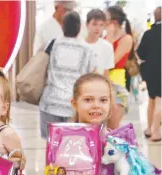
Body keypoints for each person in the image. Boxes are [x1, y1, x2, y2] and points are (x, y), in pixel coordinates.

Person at [39, 11, 95, 139]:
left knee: (51, 144)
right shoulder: (87, 49)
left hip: (50, 103)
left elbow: (42, 66)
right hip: (73, 105)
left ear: (62, 26)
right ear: (80, 28)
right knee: (71, 145)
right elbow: (90, 76)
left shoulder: (52, 44)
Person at [105, 5, 134, 129]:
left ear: (114, 22)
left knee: (113, 126)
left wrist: (109, 39)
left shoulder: (126, 38)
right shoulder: (106, 38)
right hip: (103, 82)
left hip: (117, 84)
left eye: (105, 18)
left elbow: (109, 61)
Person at [137, 6, 162, 142]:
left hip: (150, 72)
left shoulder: (148, 34)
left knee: (151, 100)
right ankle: (156, 132)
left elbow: (140, 54)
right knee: (159, 101)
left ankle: (148, 129)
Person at [84, 9, 114, 76]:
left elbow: (106, 73)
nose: (98, 28)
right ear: (87, 24)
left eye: (101, 25)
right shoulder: (79, 44)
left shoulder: (107, 47)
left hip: (98, 83)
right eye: (94, 24)